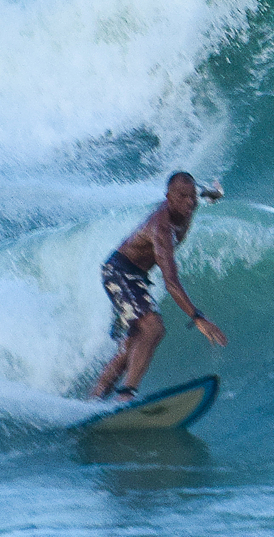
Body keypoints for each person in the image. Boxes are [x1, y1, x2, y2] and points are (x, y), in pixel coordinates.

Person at [89, 171, 228, 401]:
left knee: (133, 343)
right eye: (182, 197)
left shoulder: (190, 198)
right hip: (120, 272)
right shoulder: (161, 227)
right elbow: (171, 282)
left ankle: (94, 400)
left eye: (192, 196)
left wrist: (215, 193)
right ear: (168, 197)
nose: (190, 202)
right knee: (153, 327)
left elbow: (201, 191)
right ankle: (126, 395)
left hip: (134, 275)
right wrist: (197, 317)